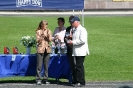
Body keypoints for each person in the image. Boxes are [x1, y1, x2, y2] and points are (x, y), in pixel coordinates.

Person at [68, 16, 90, 87]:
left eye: (73, 22)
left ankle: (79, 81)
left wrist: (73, 42)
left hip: (81, 51)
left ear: (77, 22)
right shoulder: (75, 29)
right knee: (79, 66)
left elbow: (82, 40)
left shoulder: (82, 30)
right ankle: (81, 81)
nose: (72, 23)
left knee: (78, 66)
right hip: (77, 50)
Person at [35, 20, 52, 85]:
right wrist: (41, 37)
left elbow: (50, 40)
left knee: (46, 65)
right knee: (39, 65)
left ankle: (45, 79)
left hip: (47, 49)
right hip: (40, 49)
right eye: (44, 25)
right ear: (42, 25)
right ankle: (38, 79)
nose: (45, 26)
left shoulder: (49, 31)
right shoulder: (38, 32)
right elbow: (37, 41)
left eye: (46, 25)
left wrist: (47, 35)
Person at [64, 15, 76, 84]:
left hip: (75, 49)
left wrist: (72, 37)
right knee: (71, 65)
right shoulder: (68, 28)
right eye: (70, 22)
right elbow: (64, 38)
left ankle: (77, 79)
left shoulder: (77, 29)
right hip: (69, 49)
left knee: (76, 65)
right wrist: (67, 40)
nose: (71, 23)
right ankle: (72, 79)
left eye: (72, 21)